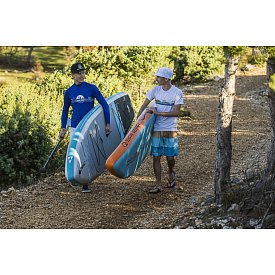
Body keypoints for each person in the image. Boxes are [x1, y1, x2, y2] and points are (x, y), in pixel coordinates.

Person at [59, 62, 111, 193]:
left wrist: (107, 123)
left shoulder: (91, 88)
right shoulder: (69, 92)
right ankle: (74, 176)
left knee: (87, 152)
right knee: (74, 153)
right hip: (75, 126)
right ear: (72, 75)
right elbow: (65, 110)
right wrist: (63, 127)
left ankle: (86, 182)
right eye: (78, 73)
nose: (82, 75)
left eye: (83, 73)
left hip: (89, 126)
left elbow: (105, 105)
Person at [137, 67, 184, 193]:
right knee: (156, 157)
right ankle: (158, 184)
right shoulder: (155, 90)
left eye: (159, 77)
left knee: (169, 157)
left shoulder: (177, 92)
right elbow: (145, 104)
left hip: (170, 128)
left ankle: (170, 171)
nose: (157, 79)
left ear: (167, 79)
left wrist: (159, 113)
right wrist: (137, 121)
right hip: (156, 128)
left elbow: (176, 112)